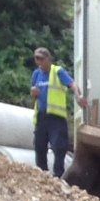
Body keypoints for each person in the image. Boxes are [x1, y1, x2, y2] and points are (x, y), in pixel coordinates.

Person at [29, 47, 82, 178]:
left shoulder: (57, 71)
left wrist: (78, 96)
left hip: (56, 118)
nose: (38, 62)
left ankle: (58, 177)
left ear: (48, 59)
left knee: (59, 148)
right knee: (39, 148)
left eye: (41, 58)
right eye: (36, 58)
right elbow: (34, 94)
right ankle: (42, 176)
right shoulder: (36, 74)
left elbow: (72, 84)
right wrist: (33, 93)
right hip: (41, 117)